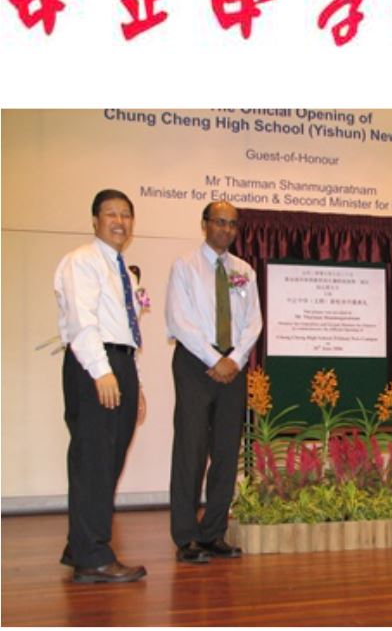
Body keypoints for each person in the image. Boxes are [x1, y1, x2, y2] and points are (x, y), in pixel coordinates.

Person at [54, 189, 148, 583]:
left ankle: (80, 546)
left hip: (120, 362)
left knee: (108, 461)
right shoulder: (83, 261)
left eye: (126, 214)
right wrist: (101, 371)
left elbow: (128, 330)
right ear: (94, 220)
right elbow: (82, 321)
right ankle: (93, 557)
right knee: (94, 459)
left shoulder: (123, 270)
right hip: (96, 363)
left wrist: (135, 382)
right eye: (111, 213)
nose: (119, 221)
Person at [166, 201, 262, 563]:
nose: (226, 229)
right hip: (196, 364)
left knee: (226, 451)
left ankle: (214, 533)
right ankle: (186, 537)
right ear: (204, 224)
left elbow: (254, 322)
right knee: (190, 450)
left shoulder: (244, 271)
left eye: (232, 224)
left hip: (233, 365)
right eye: (220, 222)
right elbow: (179, 320)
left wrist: (234, 360)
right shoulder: (185, 266)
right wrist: (214, 359)